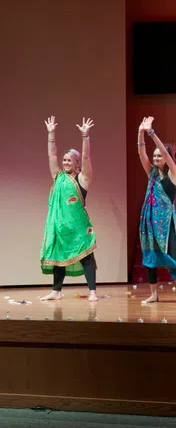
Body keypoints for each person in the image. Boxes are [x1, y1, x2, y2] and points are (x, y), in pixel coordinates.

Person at [136, 117, 176, 305]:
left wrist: (151, 133)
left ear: (167, 158)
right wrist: (140, 131)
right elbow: (141, 153)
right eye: (154, 156)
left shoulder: (173, 174)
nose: (155, 158)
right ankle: (154, 294)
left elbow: (164, 151)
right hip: (149, 223)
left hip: (167, 224)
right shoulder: (152, 174)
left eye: (159, 156)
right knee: (150, 257)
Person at [39, 116, 98, 301]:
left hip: (78, 228)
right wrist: (51, 134)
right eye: (64, 160)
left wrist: (85, 137)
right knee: (58, 257)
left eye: (69, 160)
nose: (65, 163)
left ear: (77, 163)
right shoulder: (58, 177)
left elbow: (87, 156)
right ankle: (56, 291)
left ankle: (93, 292)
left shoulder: (83, 179)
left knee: (86, 256)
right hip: (60, 227)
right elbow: (52, 156)